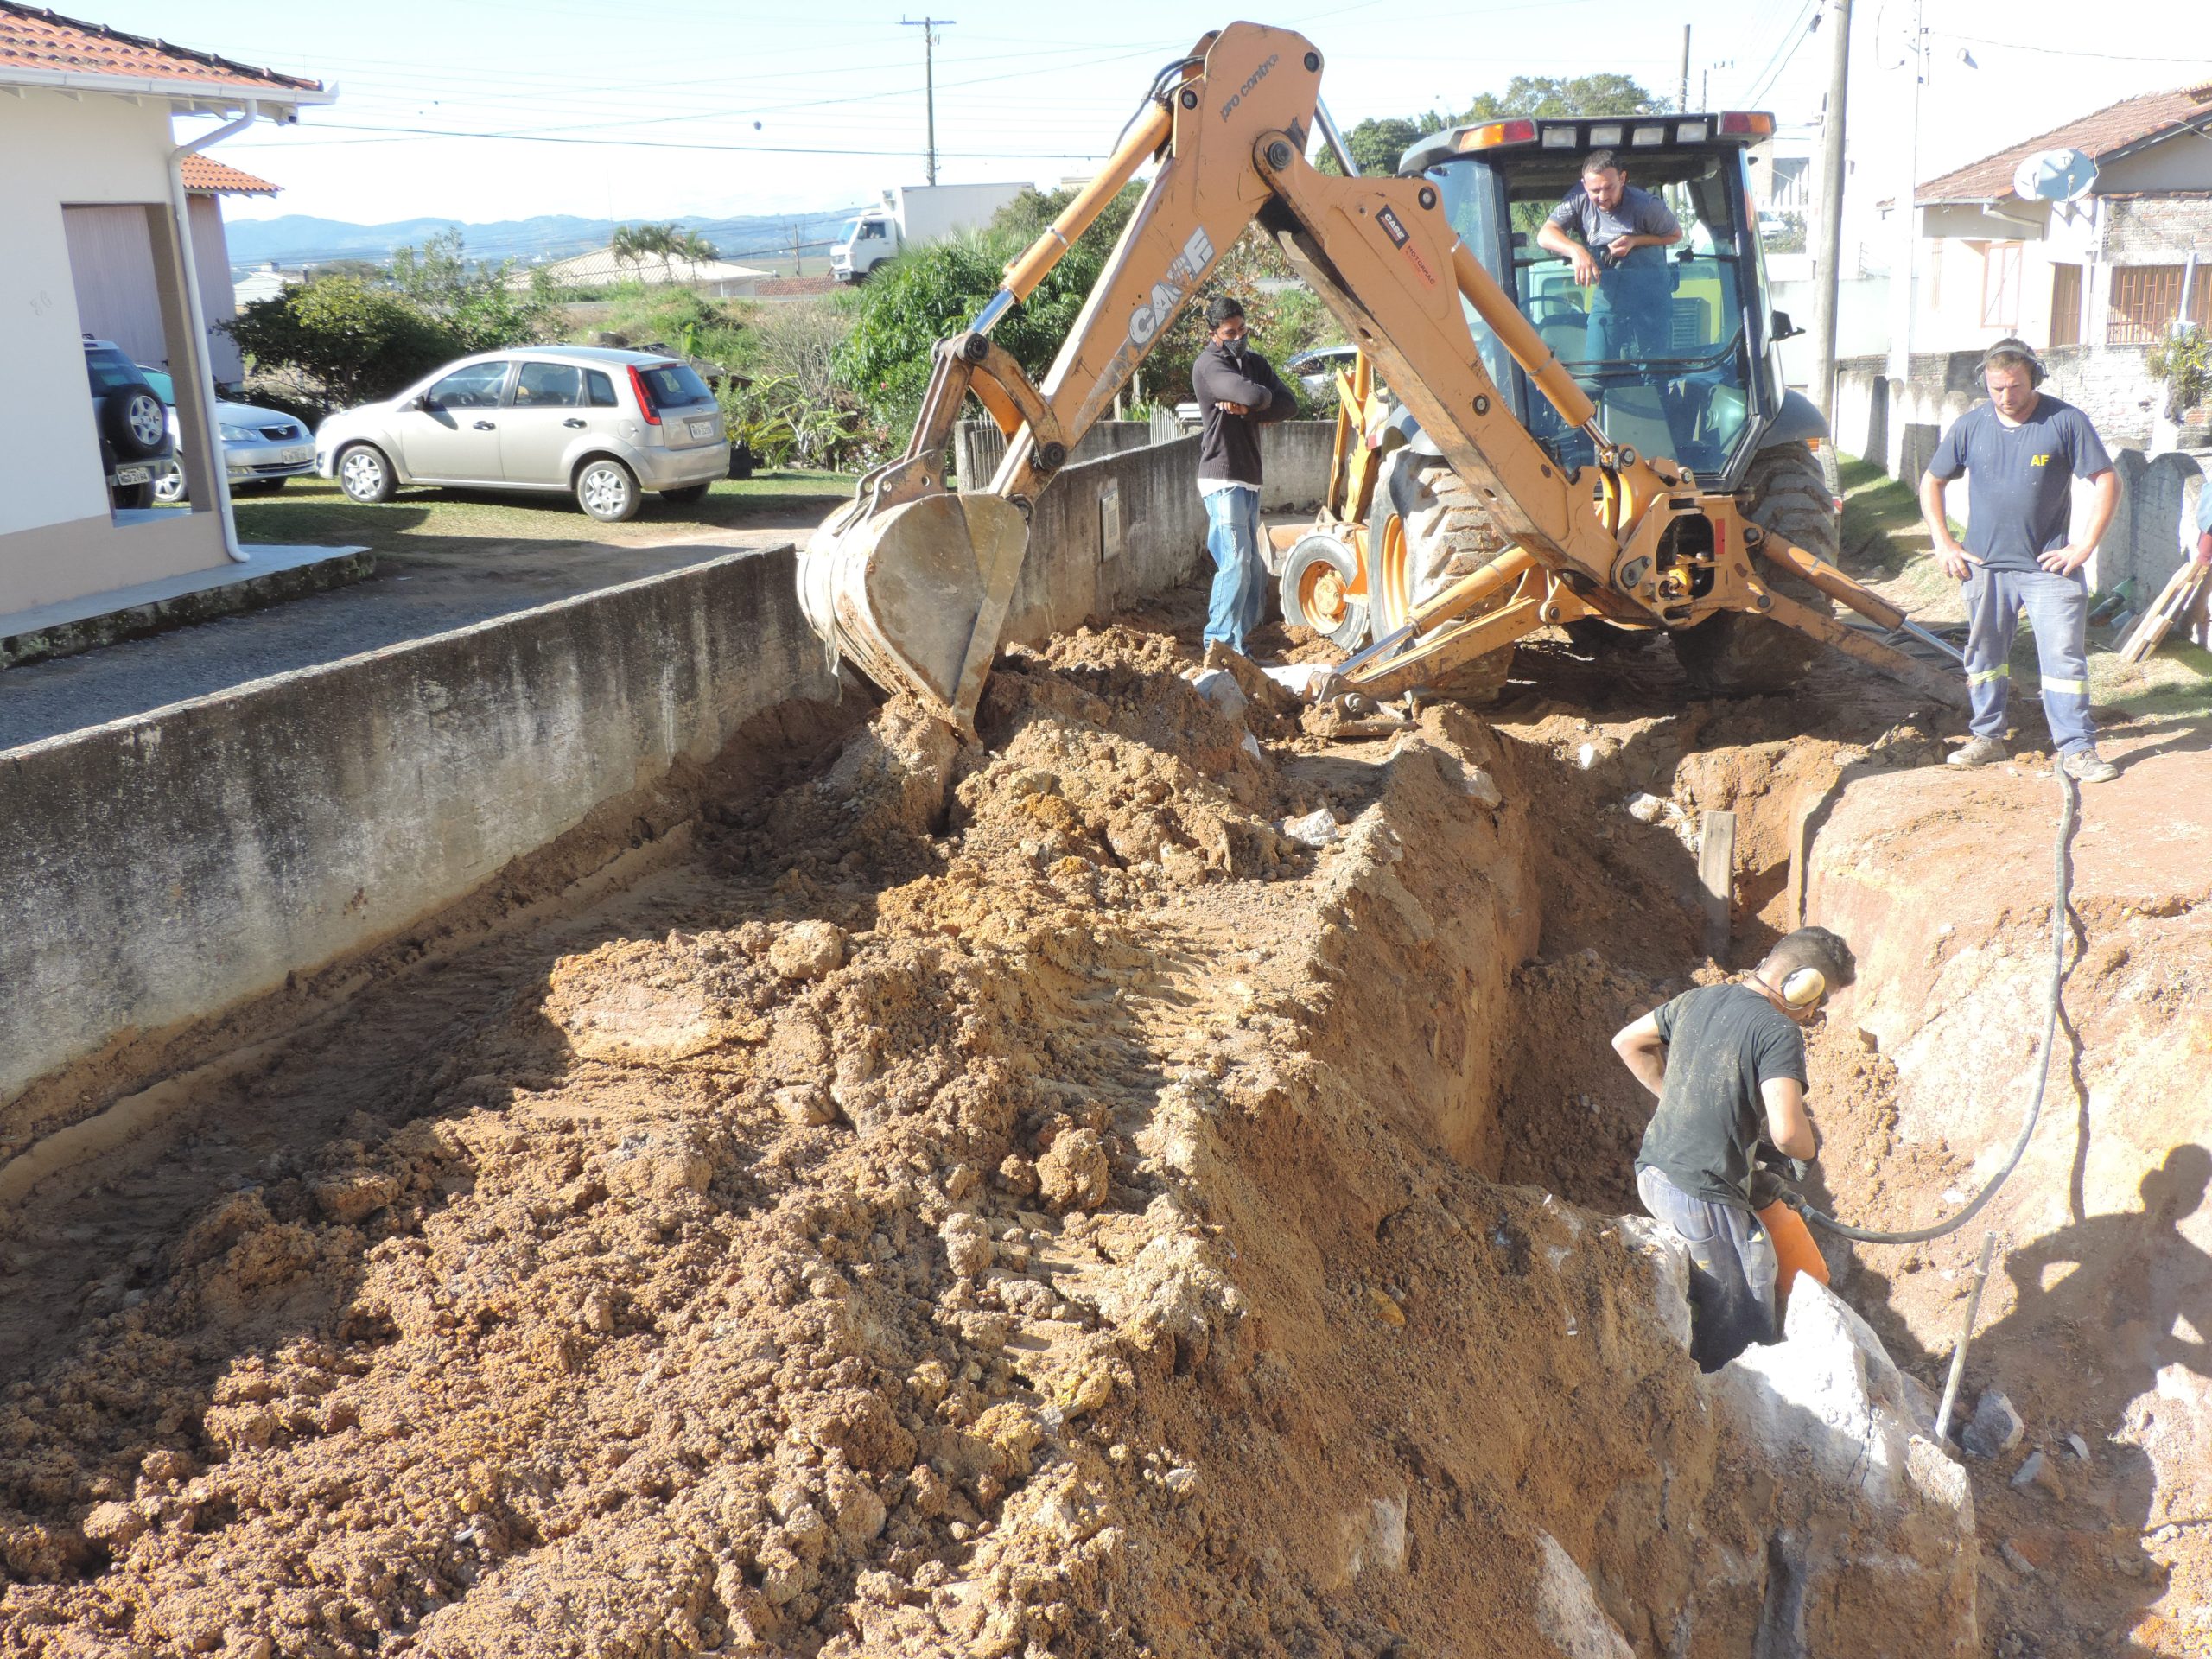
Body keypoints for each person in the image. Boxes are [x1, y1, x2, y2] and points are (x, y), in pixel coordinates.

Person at [1611, 926, 1856, 1370]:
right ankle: (1725, 1414)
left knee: (1720, 1287)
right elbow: (1787, 1134)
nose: (1816, 1011)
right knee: (1743, 1313)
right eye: (1820, 999)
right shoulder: (1777, 1030)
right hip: (1700, 1195)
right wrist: (1804, 1154)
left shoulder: (1697, 999)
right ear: (1803, 985)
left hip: (1655, 1173)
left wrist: (1681, 1101)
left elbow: (1627, 1041)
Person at [1920, 339, 2122, 783]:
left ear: (2035, 379)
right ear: (1984, 384)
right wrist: (1943, 543)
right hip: (1984, 568)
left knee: (2064, 659)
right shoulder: (1970, 426)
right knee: (1984, 655)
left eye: (2014, 387)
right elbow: (1931, 481)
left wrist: (2084, 546)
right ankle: (1988, 737)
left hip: (2049, 570)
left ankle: (2077, 749)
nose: (2005, 397)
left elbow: (2107, 480)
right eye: (1996, 388)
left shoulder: (2065, 421)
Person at [1191, 296, 1296, 657]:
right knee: (1235, 562)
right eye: (1230, 332)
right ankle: (1217, 645)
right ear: (1214, 334)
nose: (1238, 337)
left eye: (1242, 329)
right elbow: (1254, 392)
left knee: (1251, 568)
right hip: (1222, 479)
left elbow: (1290, 404)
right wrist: (1258, 398)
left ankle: (1237, 645)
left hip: (1249, 478)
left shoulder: (1254, 363)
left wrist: (1248, 410)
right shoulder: (1210, 365)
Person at [1535, 150, 1683, 360]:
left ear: (1622, 179)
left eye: (1609, 188)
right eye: (1595, 190)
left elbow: (1676, 235)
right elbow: (1545, 234)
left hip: (1652, 294)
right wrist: (1577, 251)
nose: (1603, 197)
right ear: (1584, 185)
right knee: (1596, 367)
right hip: (1609, 295)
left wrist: (1635, 241)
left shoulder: (1647, 205)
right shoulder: (1578, 199)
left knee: (1655, 371)